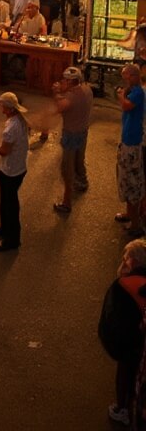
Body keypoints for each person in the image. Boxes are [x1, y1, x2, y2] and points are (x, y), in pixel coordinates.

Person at [98, 238, 146, 428]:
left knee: (126, 375)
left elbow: (113, 321)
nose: (123, 262)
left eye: (125, 259)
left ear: (134, 262)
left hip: (132, 348)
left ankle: (122, 408)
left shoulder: (124, 286)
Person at [0, 91, 30, 252]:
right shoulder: (20, 120)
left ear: (7, 108)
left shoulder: (10, 128)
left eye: (1, 105)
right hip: (19, 166)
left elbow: (5, 151)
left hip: (10, 169)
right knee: (6, 201)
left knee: (10, 205)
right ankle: (4, 228)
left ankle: (12, 240)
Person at [51, 65, 92, 214]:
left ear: (69, 82)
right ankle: (82, 182)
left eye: (64, 80)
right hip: (83, 132)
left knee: (67, 169)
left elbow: (60, 107)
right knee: (79, 160)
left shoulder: (71, 97)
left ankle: (66, 203)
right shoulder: (87, 90)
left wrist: (56, 92)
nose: (62, 82)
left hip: (71, 135)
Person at [116, 65, 145, 237]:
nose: (124, 80)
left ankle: (135, 225)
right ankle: (129, 214)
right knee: (126, 180)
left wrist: (121, 95)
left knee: (132, 182)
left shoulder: (139, 92)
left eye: (126, 77)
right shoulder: (133, 90)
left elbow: (127, 106)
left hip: (132, 143)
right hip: (127, 140)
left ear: (134, 76)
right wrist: (126, 90)